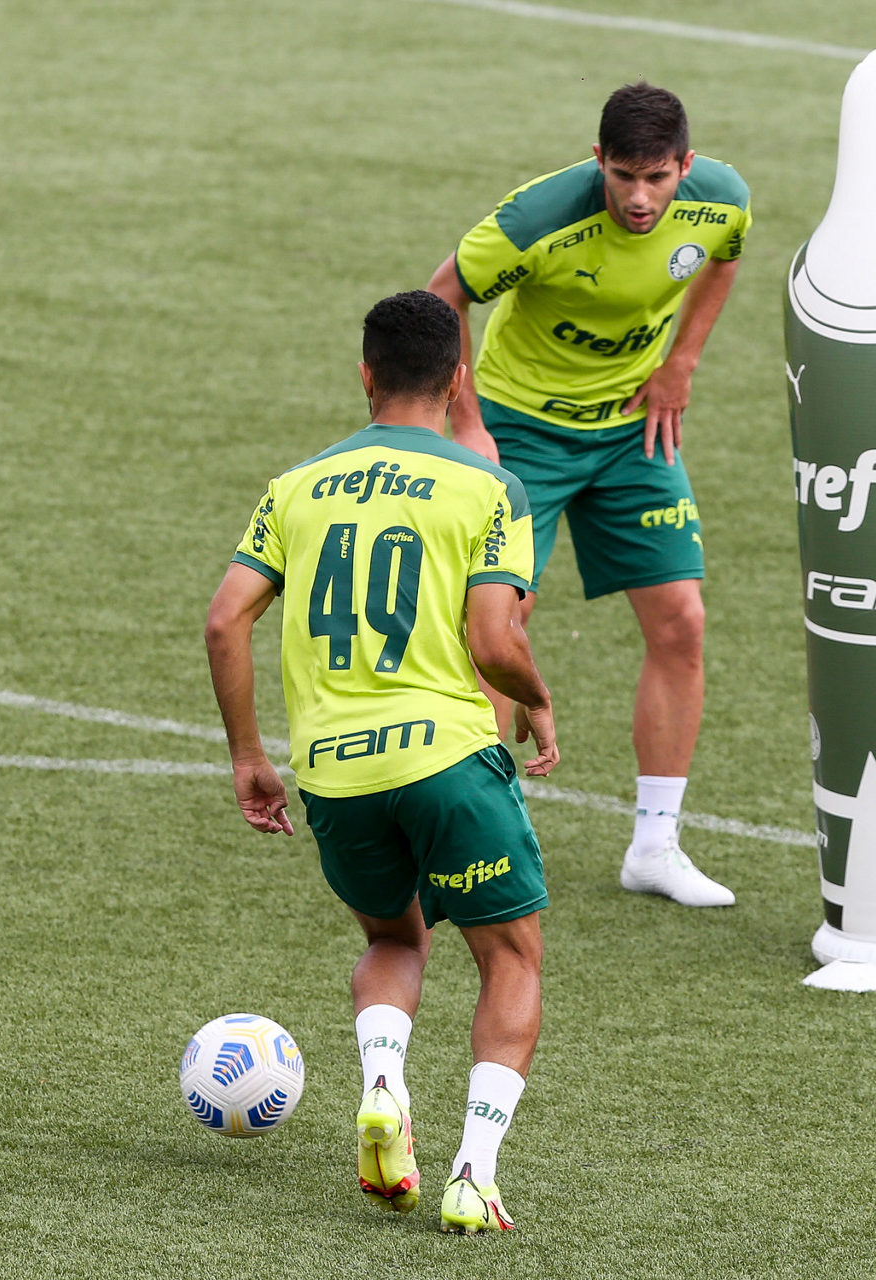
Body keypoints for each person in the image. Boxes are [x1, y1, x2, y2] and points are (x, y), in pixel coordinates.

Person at [204, 290, 556, 1234]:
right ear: (458, 380)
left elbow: (224, 620)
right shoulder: (489, 486)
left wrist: (248, 755)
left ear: (365, 375)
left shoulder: (295, 486)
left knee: (395, 941)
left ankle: (384, 1087)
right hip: (448, 761)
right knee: (510, 956)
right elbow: (494, 642)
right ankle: (473, 1173)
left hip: (335, 773)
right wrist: (535, 697)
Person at [427, 81, 750, 908]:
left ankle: (654, 846)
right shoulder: (534, 221)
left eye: (656, 178)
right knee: (499, 627)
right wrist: (467, 421)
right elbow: (441, 296)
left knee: (680, 620)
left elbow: (724, 258)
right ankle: (474, 839)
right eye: (622, 177)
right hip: (523, 432)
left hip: (631, 430)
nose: (639, 198)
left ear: (684, 165)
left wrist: (681, 363)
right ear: (597, 159)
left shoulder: (720, 200)